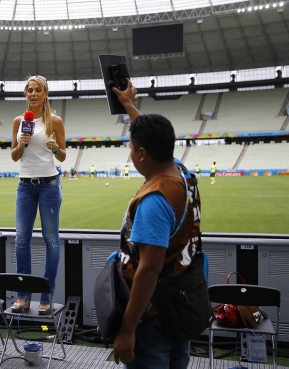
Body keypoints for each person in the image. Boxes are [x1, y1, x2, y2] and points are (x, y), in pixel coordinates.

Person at [112, 79, 203, 369]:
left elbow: (149, 270)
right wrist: (128, 105)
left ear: (142, 154)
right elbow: (153, 139)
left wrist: (127, 330)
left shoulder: (155, 200)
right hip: (179, 304)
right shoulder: (182, 174)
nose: (131, 152)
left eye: (131, 147)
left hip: (152, 319)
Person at [11, 75, 66, 315]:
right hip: (25, 186)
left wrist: (55, 148)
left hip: (49, 186)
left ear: (45, 95)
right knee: (21, 240)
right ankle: (23, 296)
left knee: (51, 240)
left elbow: (63, 156)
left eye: (37, 90)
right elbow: (14, 156)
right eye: (29, 90)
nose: (32, 94)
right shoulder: (19, 121)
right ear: (26, 94)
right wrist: (21, 143)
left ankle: (46, 295)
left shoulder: (55, 121)